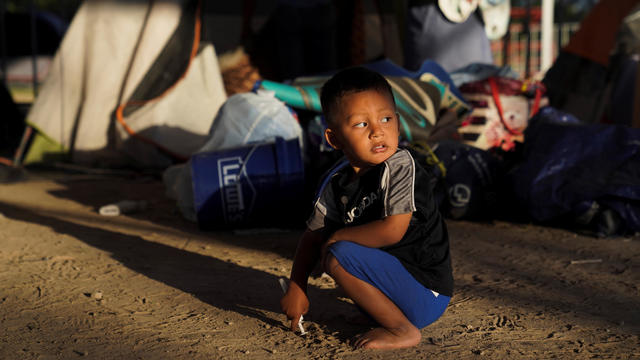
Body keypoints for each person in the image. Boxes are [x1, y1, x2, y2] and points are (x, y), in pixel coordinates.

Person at [280, 67, 453, 349]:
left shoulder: (400, 166)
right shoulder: (336, 183)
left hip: (426, 291)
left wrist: (337, 238)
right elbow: (311, 238)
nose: (377, 131)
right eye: (361, 124)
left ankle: (401, 329)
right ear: (334, 139)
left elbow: (392, 231)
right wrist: (297, 287)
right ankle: (382, 313)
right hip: (395, 288)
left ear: (397, 123)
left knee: (337, 253)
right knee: (334, 249)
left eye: (386, 119)